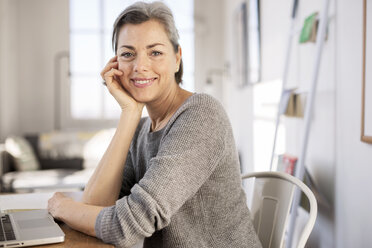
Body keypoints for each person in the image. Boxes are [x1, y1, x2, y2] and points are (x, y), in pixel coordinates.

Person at [47, 1, 262, 247]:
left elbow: (126, 226)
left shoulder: (202, 114)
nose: (140, 66)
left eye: (155, 52)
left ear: (177, 58)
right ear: (116, 64)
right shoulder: (140, 128)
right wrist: (129, 114)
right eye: (128, 54)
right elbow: (96, 206)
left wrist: (62, 207)